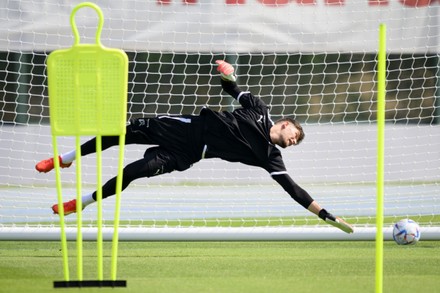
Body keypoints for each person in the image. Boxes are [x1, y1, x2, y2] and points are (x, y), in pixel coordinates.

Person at [36, 60, 354, 234]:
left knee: (132, 172)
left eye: (295, 142)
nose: (293, 142)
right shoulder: (258, 107)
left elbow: (293, 189)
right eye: (294, 136)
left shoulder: (271, 157)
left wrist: (326, 215)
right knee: (118, 134)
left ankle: (83, 203)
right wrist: (227, 73)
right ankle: (65, 158)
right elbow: (232, 88)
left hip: (186, 154)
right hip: (182, 127)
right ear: (285, 124)